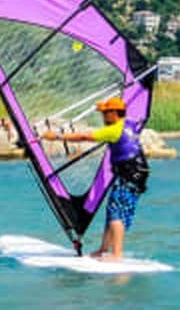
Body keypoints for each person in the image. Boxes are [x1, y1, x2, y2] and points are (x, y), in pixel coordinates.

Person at [40, 96, 149, 260]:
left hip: (129, 175)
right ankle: (104, 250)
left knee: (117, 213)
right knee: (113, 211)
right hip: (137, 174)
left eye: (106, 113)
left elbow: (85, 136)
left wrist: (56, 137)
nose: (103, 116)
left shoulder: (113, 130)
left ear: (114, 113)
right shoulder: (129, 123)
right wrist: (102, 108)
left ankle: (116, 255)